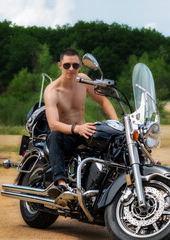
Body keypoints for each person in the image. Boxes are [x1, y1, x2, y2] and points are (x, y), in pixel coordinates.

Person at [44, 49, 118, 198]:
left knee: (110, 138)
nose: (71, 69)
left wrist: (116, 123)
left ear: (80, 67)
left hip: (84, 131)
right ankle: (61, 184)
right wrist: (76, 128)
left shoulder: (83, 80)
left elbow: (103, 100)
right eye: (66, 65)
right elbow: (53, 124)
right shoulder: (52, 90)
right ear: (60, 65)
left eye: (75, 65)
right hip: (66, 134)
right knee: (55, 136)